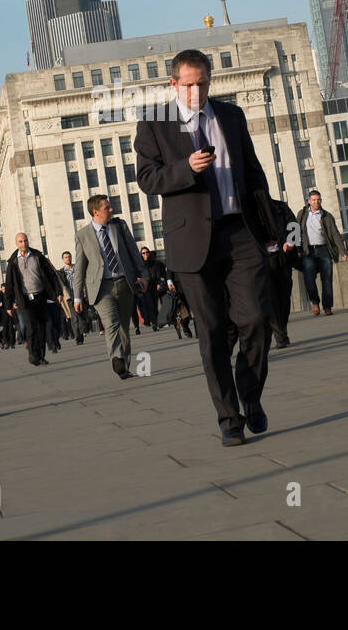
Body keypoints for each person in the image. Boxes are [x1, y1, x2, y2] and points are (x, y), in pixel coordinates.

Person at [135, 48, 279, 446]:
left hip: (239, 232)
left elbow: (253, 171)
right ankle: (228, 418)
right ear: (173, 84)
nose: (196, 91)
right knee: (212, 330)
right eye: (189, 84)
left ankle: (250, 396)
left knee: (256, 320)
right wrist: (186, 169)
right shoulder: (154, 124)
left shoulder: (230, 116)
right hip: (191, 242)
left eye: (203, 83)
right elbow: (147, 178)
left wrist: (267, 219)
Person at [74, 194, 147, 380]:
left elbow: (133, 252)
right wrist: (77, 296)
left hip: (124, 282)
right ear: (96, 212)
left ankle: (125, 366)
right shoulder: (82, 235)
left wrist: (144, 275)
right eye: (107, 207)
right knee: (112, 324)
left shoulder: (119, 226)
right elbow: (80, 268)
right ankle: (116, 358)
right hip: (101, 288)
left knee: (124, 326)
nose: (112, 209)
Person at [4, 232, 65, 367]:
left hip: (40, 296)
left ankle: (41, 356)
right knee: (31, 327)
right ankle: (32, 354)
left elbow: (51, 275)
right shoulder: (13, 261)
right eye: (20, 241)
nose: (23, 243)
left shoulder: (37, 256)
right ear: (16, 244)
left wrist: (58, 292)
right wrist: (8, 305)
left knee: (41, 327)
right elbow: (9, 284)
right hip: (24, 299)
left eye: (25, 240)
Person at [257, 192, 301, 348]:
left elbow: (295, 226)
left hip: (283, 258)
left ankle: (282, 327)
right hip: (263, 261)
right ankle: (280, 335)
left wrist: (290, 243)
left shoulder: (280, 207)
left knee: (284, 295)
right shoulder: (252, 211)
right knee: (271, 297)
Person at [295, 190, 348, 317]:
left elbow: (335, 234)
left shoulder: (327, 216)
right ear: (309, 201)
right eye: (313, 200)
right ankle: (315, 302)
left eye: (318, 199)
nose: (316, 202)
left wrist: (343, 251)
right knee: (309, 279)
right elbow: (296, 232)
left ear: (321, 201)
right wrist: (297, 250)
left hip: (324, 250)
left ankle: (327, 306)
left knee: (327, 279)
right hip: (308, 251)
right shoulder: (302, 214)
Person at [56, 251, 88, 345]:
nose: (68, 258)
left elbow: (84, 280)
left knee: (81, 316)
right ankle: (78, 337)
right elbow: (60, 285)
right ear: (63, 259)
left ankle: (81, 333)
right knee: (74, 318)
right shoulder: (61, 272)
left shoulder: (77, 268)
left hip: (80, 295)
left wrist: (85, 294)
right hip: (70, 297)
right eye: (66, 257)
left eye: (69, 257)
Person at [138, 247, 166, 331]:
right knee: (150, 305)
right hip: (145, 287)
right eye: (143, 253)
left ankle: (157, 321)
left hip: (154, 286)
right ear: (141, 254)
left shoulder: (155, 263)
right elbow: (137, 275)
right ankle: (154, 323)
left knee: (154, 305)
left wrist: (159, 283)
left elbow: (159, 275)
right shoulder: (140, 265)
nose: (145, 254)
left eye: (147, 252)